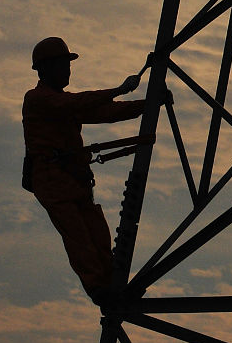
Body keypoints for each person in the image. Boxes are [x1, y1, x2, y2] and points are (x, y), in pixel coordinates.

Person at [22, 37, 145, 305]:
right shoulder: (38, 100)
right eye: (63, 64)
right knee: (79, 236)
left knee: (97, 233)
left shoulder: (61, 103)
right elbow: (79, 104)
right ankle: (98, 288)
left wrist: (144, 105)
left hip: (72, 179)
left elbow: (104, 112)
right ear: (46, 68)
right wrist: (119, 89)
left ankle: (112, 283)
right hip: (52, 180)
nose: (67, 70)